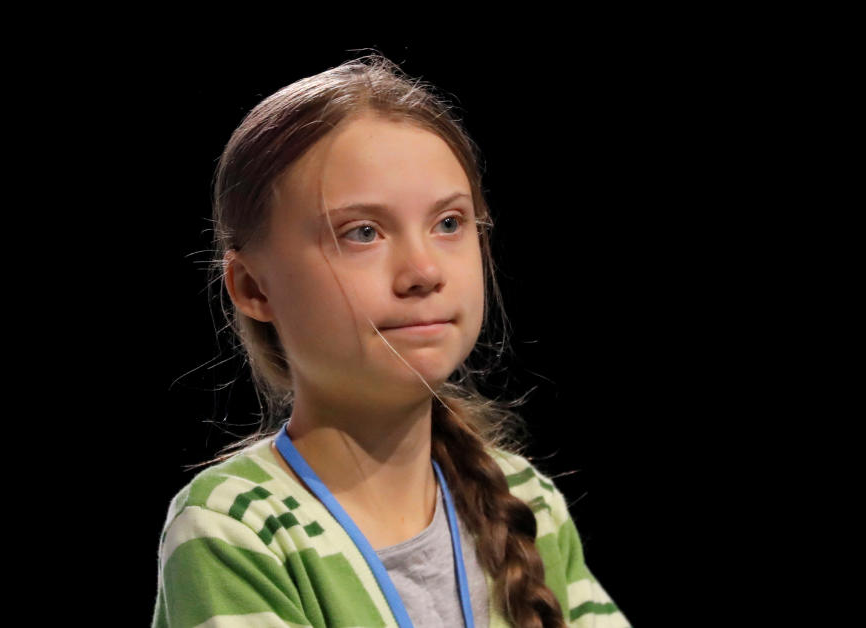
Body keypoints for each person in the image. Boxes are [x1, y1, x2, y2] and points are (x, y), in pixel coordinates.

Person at [151, 53, 631, 628]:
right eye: (363, 233)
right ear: (254, 287)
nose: (424, 271)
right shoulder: (237, 528)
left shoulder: (528, 502)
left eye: (449, 223)